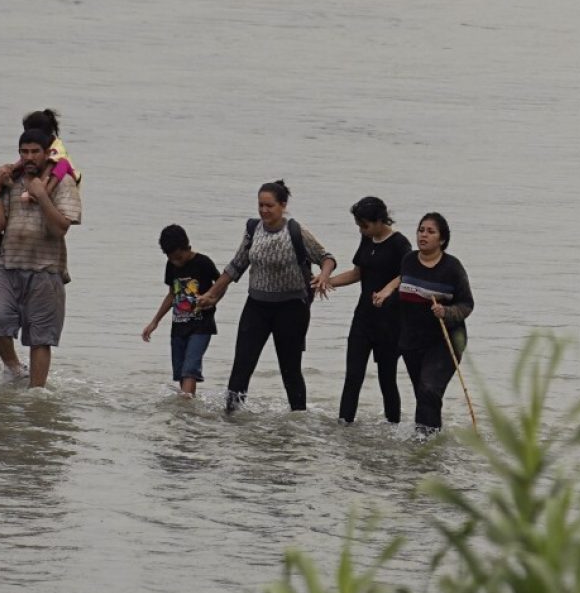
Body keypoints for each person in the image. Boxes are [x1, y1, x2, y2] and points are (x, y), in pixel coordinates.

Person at [197, 180, 336, 412]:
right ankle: (231, 416)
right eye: (260, 205)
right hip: (257, 307)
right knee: (242, 365)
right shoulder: (253, 229)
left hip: (291, 309)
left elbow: (327, 257)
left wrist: (323, 275)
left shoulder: (295, 231)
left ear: (283, 205)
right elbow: (236, 266)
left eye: (269, 206)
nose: (263, 210)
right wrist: (212, 294)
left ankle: (298, 419)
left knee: (290, 369)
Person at [0, 128, 82, 387]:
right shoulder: (11, 180)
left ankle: (36, 392)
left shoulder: (64, 182)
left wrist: (41, 195)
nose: (28, 157)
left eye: (34, 152)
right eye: (23, 152)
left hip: (46, 269)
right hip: (7, 264)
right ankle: (14, 368)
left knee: (40, 338)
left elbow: (60, 228)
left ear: (47, 153)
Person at [376, 212, 473, 433]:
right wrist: (386, 293)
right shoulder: (409, 260)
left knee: (430, 388)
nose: (424, 235)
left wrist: (446, 311)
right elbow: (404, 282)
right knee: (423, 393)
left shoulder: (452, 268)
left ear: (442, 239)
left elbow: (467, 304)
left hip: (445, 340)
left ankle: (425, 440)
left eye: (430, 232)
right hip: (412, 338)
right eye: (421, 230)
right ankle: (429, 440)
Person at [327, 197, 412, 425]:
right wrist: (327, 282)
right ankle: (344, 426)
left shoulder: (399, 243)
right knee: (353, 377)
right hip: (363, 319)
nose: (361, 230)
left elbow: (409, 274)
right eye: (358, 225)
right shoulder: (366, 239)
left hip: (390, 322)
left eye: (364, 225)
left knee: (387, 379)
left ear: (380, 220)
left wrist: (387, 289)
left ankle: (393, 427)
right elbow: (357, 273)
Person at [142, 225, 221, 396]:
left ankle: (185, 406)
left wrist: (212, 298)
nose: (175, 262)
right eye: (171, 258)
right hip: (178, 327)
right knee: (180, 371)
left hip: (201, 325)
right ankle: (187, 408)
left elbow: (222, 283)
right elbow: (171, 295)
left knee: (190, 369)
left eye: (178, 257)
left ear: (187, 247)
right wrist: (155, 321)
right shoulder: (171, 266)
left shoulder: (203, 262)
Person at [17, 108, 81, 202]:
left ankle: (46, 191)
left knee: (61, 163)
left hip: (69, 174)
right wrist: (13, 167)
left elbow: (52, 164)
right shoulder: (37, 147)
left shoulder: (57, 146)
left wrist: (41, 187)